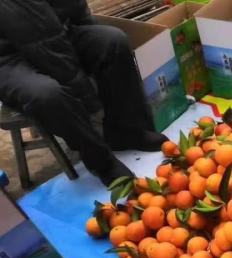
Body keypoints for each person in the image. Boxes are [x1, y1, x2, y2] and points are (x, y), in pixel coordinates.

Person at [0, 0, 168, 186]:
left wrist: (88, 34)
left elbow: (74, 10)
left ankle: (125, 131)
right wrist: (86, 96)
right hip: (8, 59)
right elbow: (39, 39)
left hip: (54, 35)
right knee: (47, 93)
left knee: (112, 41)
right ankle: (101, 161)